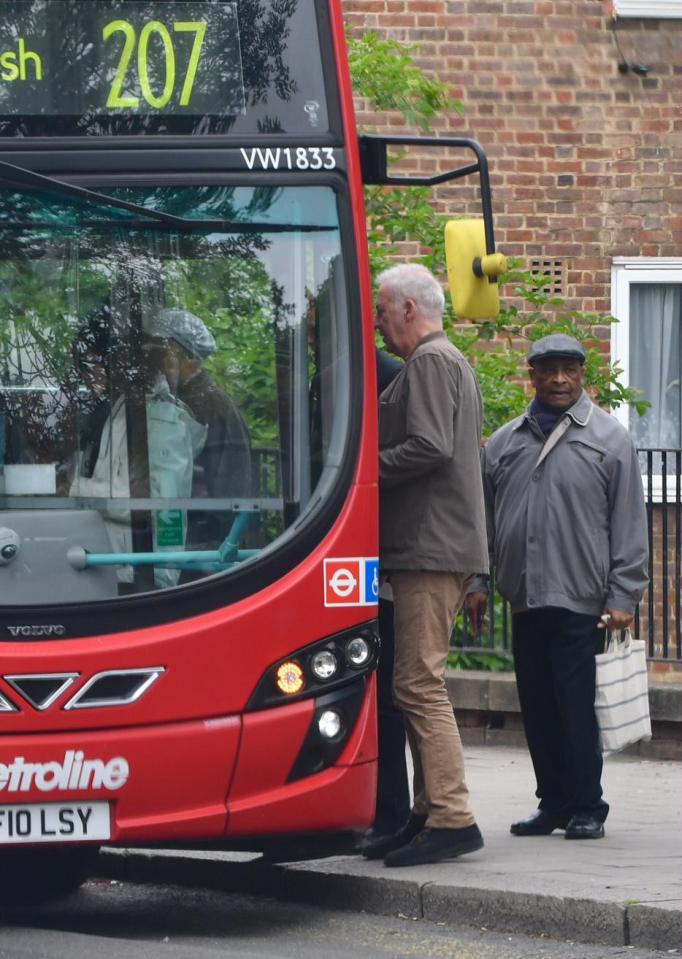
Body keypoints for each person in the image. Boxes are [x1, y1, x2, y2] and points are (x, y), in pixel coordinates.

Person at [465, 333, 649, 840]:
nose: (560, 379)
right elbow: (482, 522)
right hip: (525, 597)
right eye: (549, 370)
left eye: (570, 369)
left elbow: (629, 523)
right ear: (533, 375)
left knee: (575, 707)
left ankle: (588, 805)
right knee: (539, 707)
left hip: (583, 600)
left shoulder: (610, 439)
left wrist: (623, 596)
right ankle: (553, 803)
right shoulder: (503, 442)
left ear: (583, 375)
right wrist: (479, 580)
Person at [362, 263, 489, 868]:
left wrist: (364, 472)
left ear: (410, 309)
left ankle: (452, 816)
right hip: (431, 547)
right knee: (411, 682)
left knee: (417, 683)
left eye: (383, 310)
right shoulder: (442, 362)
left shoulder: (433, 362)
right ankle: (425, 812)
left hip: (431, 550)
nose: (380, 322)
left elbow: (432, 444)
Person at [143, 309, 252, 551]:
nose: (155, 363)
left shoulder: (212, 408)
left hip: (203, 547)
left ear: (185, 357)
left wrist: (215, 549)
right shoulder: (177, 398)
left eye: (162, 353)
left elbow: (230, 493)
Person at [358, 348, 411, 849]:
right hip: (355, 559)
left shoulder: (391, 375)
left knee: (390, 696)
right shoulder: (328, 375)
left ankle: (393, 811)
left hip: (386, 560)